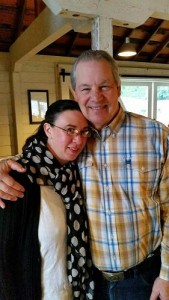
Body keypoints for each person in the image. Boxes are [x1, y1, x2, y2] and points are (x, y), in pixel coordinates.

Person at [0, 49, 169, 300]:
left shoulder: (157, 136)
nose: (95, 96)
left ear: (118, 88)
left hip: (143, 278)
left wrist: (166, 274)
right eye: (86, 88)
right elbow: (37, 161)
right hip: (90, 282)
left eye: (104, 86)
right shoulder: (73, 143)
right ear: (75, 93)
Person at [0, 99, 94, 300]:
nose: (78, 140)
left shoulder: (74, 173)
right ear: (48, 129)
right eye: (69, 130)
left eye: (84, 131)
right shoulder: (17, 179)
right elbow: (5, 258)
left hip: (73, 293)